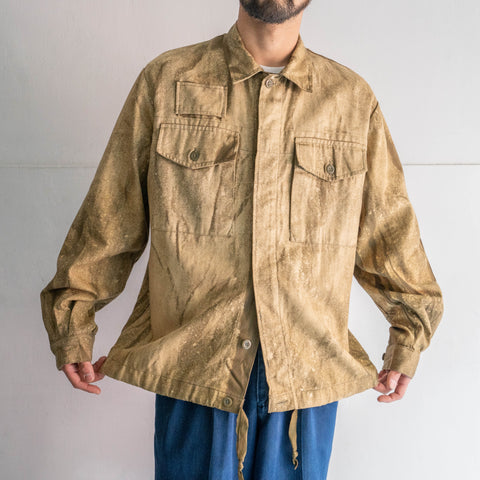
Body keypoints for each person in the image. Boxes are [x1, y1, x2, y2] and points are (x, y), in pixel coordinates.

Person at [40, 1, 444, 479]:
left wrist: (408, 337)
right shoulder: (167, 81)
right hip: (193, 370)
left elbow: (387, 231)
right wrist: (73, 322)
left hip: (304, 382)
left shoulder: (350, 100)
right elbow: (113, 212)